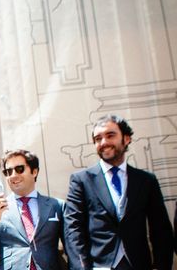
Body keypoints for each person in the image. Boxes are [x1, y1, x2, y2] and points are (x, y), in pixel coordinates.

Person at [64, 114, 174, 270]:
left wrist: (161, 266)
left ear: (126, 138)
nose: (104, 142)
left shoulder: (146, 181)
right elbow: (73, 230)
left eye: (110, 135)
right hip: (99, 266)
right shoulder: (81, 180)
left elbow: (161, 229)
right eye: (97, 139)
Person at [0, 149, 66, 270]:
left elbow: (74, 249)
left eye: (19, 169)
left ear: (34, 171)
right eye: (8, 172)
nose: (13, 175)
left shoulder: (57, 206)